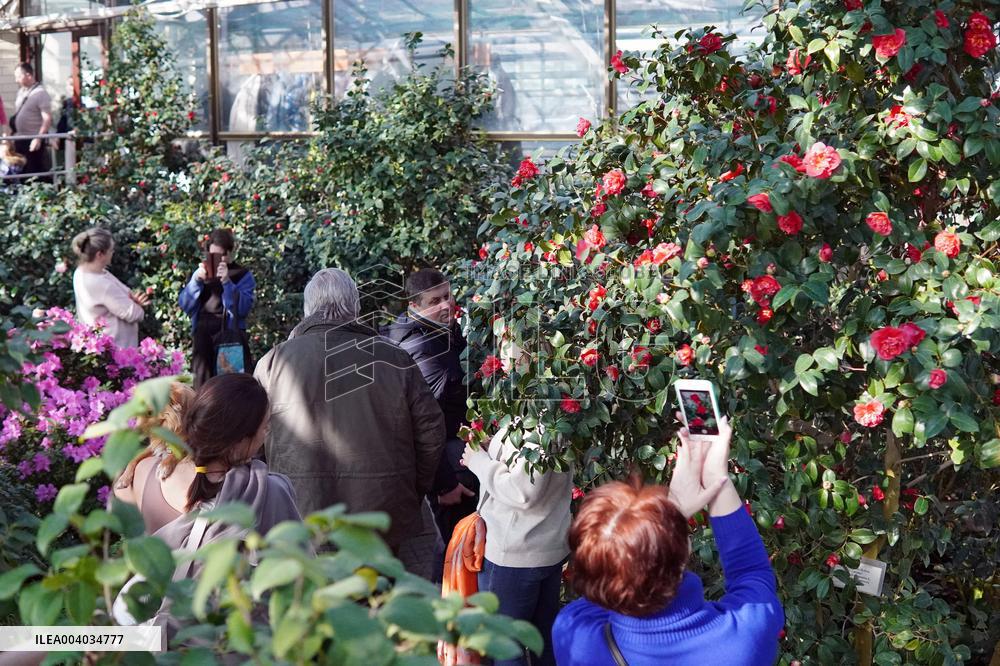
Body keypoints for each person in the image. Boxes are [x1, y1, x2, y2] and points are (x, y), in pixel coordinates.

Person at [552, 416, 784, 665]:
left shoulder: (574, 634)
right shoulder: (744, 640)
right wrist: (715, 478)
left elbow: (608, 581)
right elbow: (751, 572)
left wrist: (670, 520)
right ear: (685, 548)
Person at [254, 268, 445, 568]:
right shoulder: (393, 358)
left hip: (300, 515)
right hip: (381, 518)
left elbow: (253, 441)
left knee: (311, 603)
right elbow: (431, 432)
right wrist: (408, 490)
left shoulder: (273, 362)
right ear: (355, 307)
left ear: (308, 310)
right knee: (377, 602)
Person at [110, 374, 302, 629]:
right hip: (222, 636)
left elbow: (122, 520)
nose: (267, 434)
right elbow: (299, 578)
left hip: (149, 624)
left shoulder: (142, 469)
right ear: (242, 438)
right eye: (265, 426)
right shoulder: (269, 489)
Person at [460, 421, 574, 666]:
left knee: (505, 647)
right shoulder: (553, 413)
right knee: (543, 642)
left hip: (514, 552)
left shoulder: (539, 419)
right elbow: (530, 468)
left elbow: (523, 490)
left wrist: (478, 461)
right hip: (545, 545)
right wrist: (496, 448)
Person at [382, 268, 477, 547]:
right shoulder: (423, 348)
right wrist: (444, 485)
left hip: (453, 453)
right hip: (448, 465)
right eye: (435, 301)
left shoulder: (440, 330)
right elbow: (423, 424)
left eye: (447, 296)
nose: (446, 305)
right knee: (457, 550)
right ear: (414, 306)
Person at [178, 228, 256, 388]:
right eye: (212, 255)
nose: (216, 260)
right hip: (203, 337)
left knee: (229, 387)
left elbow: (242, 309)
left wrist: (227, 282)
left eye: (220, 256)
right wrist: (196, 281)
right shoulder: (201, 274)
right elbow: (185, 305)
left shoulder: (242, 275)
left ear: (228, 254)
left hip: (229, 336)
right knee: (201, 387)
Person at [71, 227, 148, 348]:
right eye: (111, 250)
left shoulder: (82, 272)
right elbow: (134, 314)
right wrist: (138, 306)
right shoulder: (99, 283)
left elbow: (127, 293)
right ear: (100, 254)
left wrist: (131, 301)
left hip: (103, 346)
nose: (113, 253)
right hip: (115, 352)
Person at [10, 63, 52, 180]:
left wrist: (38, 138)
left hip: (33, 140)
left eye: (18, 76)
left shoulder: (41, 93)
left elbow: (47, 118)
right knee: (21, 173)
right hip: (20, 139)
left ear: (28, 75)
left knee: (34, 172)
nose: (16, 80)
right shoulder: (21, 92)